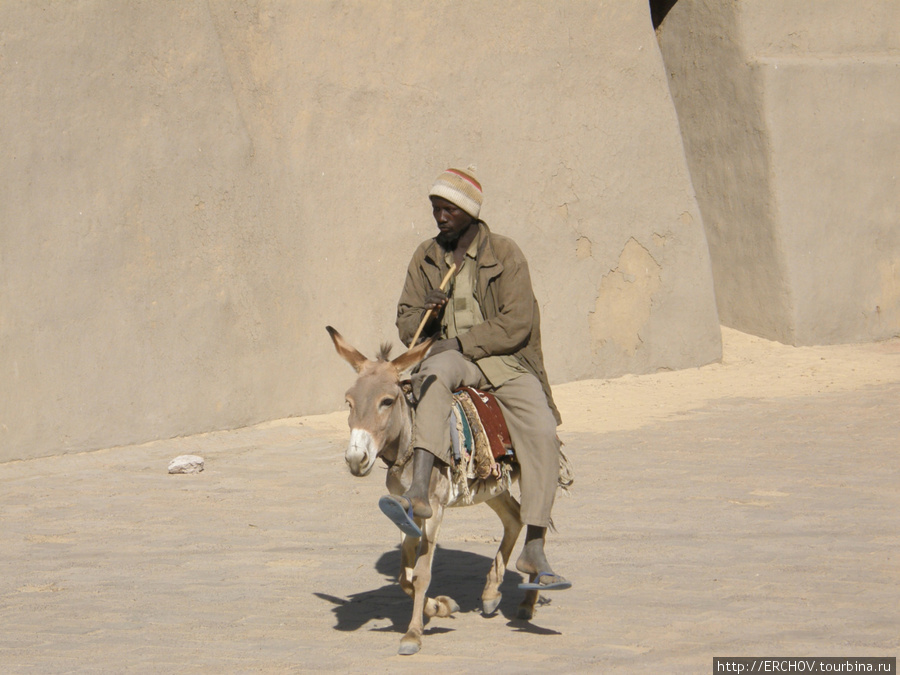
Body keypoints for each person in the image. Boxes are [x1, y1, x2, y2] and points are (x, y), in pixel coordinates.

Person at [378, 166, 570, 591]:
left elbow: (517, 323)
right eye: (435, 209)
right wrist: (427, 319)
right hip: (449, 358)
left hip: (506, 361)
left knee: (541, 428)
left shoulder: (505, 253)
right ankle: (419, 494)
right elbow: (406, 326)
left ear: (468, 212)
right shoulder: (425, 258)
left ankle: (535, 544)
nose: (440, 218)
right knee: (431, 375)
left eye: (448, 210)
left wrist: (462, 343)